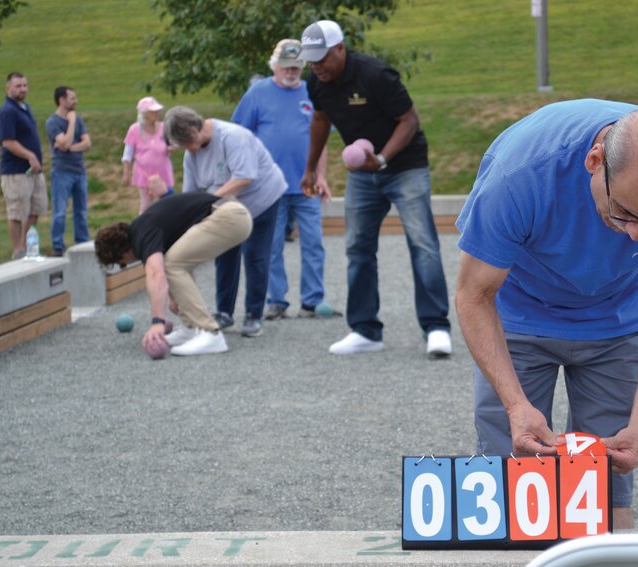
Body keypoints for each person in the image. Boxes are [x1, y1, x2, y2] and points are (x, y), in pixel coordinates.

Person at [455, 100, 638, 529]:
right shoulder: (520, 174)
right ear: (594, 162)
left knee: (608, 498)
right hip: (520, 316)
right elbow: (474, 295)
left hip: (617, 321)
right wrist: (515, 404)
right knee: (510, 493)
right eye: (627, 213)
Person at [298, 19, 452, 357]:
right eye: (311, 60)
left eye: (322, 58)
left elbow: (410, 120)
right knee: (357, 248)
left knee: (423, 244)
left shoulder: (375, 74)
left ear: (340, 48)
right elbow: (321, 120)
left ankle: (436, 326)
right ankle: (365, 330)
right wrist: (310, 168)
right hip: (363, 174)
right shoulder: (317, 82)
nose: (316, 66)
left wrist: (381, 160)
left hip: (405, 166)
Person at [231, 38, 333, 320]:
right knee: (271, 245)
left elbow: (322, 140)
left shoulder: (313, 92)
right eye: (286, 67)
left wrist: (321, 175)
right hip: (268, 188)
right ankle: (276, 300)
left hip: (307, 183)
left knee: (313, 242)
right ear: (274, 66)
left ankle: (313, 301)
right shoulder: (257, 93)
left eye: (296, 67)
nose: (291, 72)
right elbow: (241, 137)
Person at [164, 106, 287, 337]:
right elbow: (191, 193)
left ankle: (253, 315)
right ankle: (224, 313)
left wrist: (208, 200)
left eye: (188, 143)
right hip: (227, 205)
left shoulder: (233, 137)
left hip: (261, 199)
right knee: (225, 254)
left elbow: (244, 178)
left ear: (195, 128)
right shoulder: (191, 154)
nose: (188, 150)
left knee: (255, 255)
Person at [94, 193, 252, 356]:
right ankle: (191, 327)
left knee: (172, 263)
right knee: (176, 261)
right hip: (231, 215)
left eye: (122, 263)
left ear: (122, 252)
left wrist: (157, 321)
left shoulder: (142, 235)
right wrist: (174, 296)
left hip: (230, 217)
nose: (127, 264)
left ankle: (210, 333)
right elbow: (174, 262)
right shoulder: (143, 229)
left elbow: (157, 273)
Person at [0, 72, 48, 260]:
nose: (22, 89)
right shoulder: (7, 111)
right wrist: (29, 155)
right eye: (18, 86)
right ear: (8, 88)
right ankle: (17, 250)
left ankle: (28, 248)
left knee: (37, 208)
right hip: (16, 171)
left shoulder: (24, 108)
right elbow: (7, 141)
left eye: (25, 85)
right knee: (17, 212)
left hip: (34, 171)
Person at [46, 86, 92, 256]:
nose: (75, 101)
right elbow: (62, 143)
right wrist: (71, 123)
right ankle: (57, 245)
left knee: (81, 210)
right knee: (60, 211)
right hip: (61, 172)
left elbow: (87, 143)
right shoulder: (53, 122)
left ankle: (82, 242)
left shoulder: (79, 119)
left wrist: (69, 147)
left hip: (79, 171)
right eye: (72, 98)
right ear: (62, 100)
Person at [121, 96, 176, 214]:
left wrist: (170, 148)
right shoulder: (134, 130)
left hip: (163, 172)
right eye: (153, 111)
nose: (156, 113)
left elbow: (171, 143)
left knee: (167, 203)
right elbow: (127, 154)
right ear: (145, 113)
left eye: (156, 111)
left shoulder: (163, 127)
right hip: (143, 173)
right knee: (146, 205)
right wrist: (126, 173)